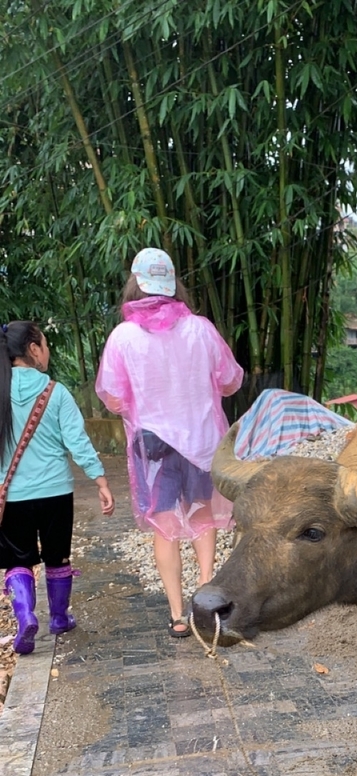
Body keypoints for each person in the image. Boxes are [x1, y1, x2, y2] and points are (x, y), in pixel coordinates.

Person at [95, 248, 244, 637]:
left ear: (136, 284)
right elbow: (231, 380)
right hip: (201, 442)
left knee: (165, 529)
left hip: (152, 446)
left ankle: (178, 616)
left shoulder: (123, 337)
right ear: (173, 284)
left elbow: (112, 396)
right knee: (202, 519)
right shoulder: (201, 329)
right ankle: (207, 599)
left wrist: (145, 400)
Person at [0, 322, 115, 656]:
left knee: (18, 560)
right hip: (55, 492)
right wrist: (100, 480)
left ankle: (25, 616)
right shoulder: (56, 392)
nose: (48, 350)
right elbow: (78, 442)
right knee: (57, 556)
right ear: (33, 349)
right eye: (46, 344)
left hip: (12, 496)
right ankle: (59, 618)